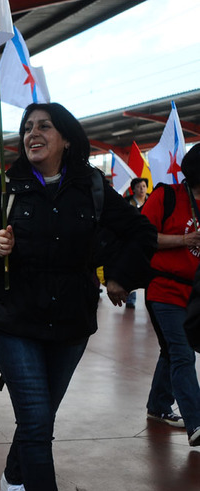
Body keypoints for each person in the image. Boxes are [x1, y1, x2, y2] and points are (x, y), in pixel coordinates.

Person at [0, 103, 156, 491]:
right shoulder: (4, 187)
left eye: (44, 127)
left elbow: (141, 231)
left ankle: (12, 477)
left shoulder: (90, 187)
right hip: (15, 321)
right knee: (37, 422)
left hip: (71, 324)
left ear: (67, 138)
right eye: (27, 128)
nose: (32, 134)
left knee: (38, 420)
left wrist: (120, 277)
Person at [141, 143, 200, 443]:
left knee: (171, 350)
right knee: (182, 352)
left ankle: (158, 405)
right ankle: (197, 422)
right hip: (164, 288)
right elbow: (143, 235)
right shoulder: (166, 196)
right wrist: (185, 238)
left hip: (195, 293)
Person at [125, 176, 150, 308]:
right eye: (139, 186)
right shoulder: (127, 203)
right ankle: (130, 298)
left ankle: (150, 298)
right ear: (133, 189)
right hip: (131, 239)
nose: (142, 189)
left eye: (144, 186)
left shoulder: (152, 201)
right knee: (131, 267)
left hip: (147, 240)